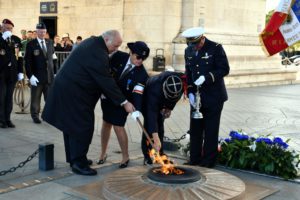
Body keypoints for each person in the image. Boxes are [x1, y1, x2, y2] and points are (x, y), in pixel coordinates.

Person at [41, 30, 135, 176]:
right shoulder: (98, 52)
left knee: (71, 126)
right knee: (82, 127)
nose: (115, 50)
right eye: (115, 46)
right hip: (73, 93)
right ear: (106, 39)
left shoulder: (93, 43)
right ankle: (79, 163)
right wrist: (124, 102)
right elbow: (106, 80)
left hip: (70, 91)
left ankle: (76, 159)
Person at [181, 27, 230, 168]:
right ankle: (194, 159)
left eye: (196, 44)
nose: (195, 47)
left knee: (210, 131)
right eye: (192, 45)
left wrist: (207, 77)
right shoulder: (188, 50)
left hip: (214, 96)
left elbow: (224, 69)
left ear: (202, 38)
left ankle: (208, 162)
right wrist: (190, 91)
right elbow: (188, 72)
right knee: (195, 130)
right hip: (196, 98)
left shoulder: (215, 48)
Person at [98, 41, 149, 168]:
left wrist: (136, 108)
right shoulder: (118, 57)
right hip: (108, 98)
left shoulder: (142, 74)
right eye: (138, 57)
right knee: (106, 123)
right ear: (131, 53)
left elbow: (138, 92)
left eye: (143, 58)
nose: (140, 61)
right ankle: (103, 153)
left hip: (124, 102)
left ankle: (125, 156)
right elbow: (104, 73)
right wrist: (102, 90)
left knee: (118, 126)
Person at [141, 71, 184, 165]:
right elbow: (151, 116)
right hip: (146, 99)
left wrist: (169, 108)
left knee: (160, 124)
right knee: (149, 127)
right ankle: (147, 156)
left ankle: (160, 153)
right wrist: (155, 138)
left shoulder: (180, 81)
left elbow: (176, 97)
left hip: (161, 99)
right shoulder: (154, 89)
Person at [24, 22, 55, 124]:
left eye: (44, 32)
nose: (42, 33)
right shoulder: (31, 44)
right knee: (35, 99)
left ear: (46, 32)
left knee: (49, 99)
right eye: (40, 31)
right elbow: (27, 62)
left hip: (49, 77)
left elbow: (52, 58)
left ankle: (47, 116)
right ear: (36, 32)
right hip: (36, 77)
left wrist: (53, 72)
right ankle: (35, 116)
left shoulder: (50, 42)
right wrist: (30, 76)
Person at [0, 19, 24, 128]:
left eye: (10, 28)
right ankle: (1, 120)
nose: (8, 30)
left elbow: (19, 57)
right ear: (2, 28)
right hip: (1, 73)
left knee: (9, 97)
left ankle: (8, 119)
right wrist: (2, 40)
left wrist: (20, 72)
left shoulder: (16, 40)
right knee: (1, 97)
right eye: (6, 28)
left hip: (12, 73)